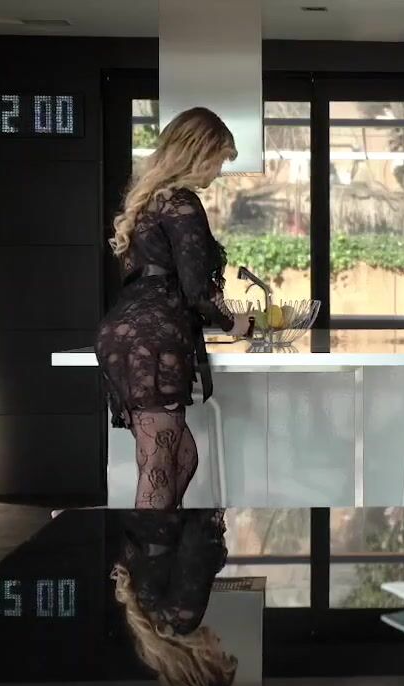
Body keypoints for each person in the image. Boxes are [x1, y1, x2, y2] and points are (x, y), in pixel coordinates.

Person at [95, 107, 254, 509]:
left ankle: (154, 544)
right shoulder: (182, 203)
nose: (218, 172)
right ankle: (145, 547)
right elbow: (196, 290)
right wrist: (233, 323)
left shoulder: (147, 203)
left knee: (181, 457)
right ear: (198, 153)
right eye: (218, 160)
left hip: (125, 334)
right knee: (158, 465)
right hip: (155, 341)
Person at [112, 509, 238, 686]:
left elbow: (200, 534)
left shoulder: (182, 620)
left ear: (204, 666)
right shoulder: (152, 623)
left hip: (170, 506)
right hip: (140, 506)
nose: (220, 641)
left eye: (221, 655)